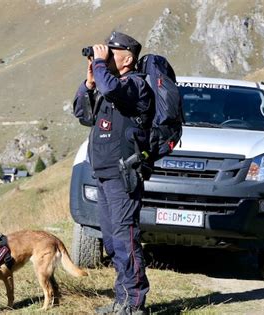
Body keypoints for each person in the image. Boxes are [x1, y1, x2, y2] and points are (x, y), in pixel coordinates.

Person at [72, 31, 154, 315]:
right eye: (102, 52)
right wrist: (88, 83)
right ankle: (122, 300)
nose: (103, 56)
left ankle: (134, 303)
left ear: (128, 58)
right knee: (112, 240)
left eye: (111, 53)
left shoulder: (136, 85)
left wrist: (99, 66)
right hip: (104, 173)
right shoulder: (109, 84)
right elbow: (84, 115)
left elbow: (111, 91)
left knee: (124, 237)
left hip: (123, 174)